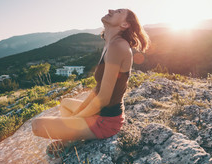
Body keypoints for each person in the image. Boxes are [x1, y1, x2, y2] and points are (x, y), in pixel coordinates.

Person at [31, 8, 150, 152]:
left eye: (118, 11)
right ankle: (72, 137)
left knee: (37, 126)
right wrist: (78, 115)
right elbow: (98, 89)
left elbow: (104, 98)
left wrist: (74, 119)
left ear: (125, 25)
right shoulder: (110, 43)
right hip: (98, 113)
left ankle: (70, 138)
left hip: (106, 121)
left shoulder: (117, 46)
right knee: (65, 104)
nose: (110, 10)